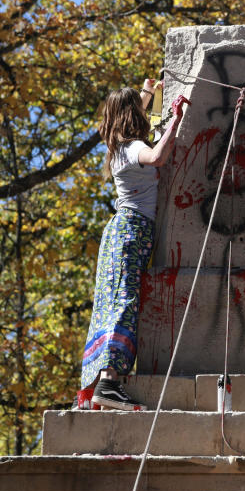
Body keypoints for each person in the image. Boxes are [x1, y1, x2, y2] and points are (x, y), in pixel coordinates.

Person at [76, 79, 181, 410]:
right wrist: (176, 118)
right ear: (132, 116)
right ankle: (109, 382)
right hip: (132, 233)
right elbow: (158, 156)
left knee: (113, 302)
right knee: (125, 301)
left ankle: (98, 383)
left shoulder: (116, 147)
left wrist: (147, 92)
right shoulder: (135, 148)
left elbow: (129, 110)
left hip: (120, 232)